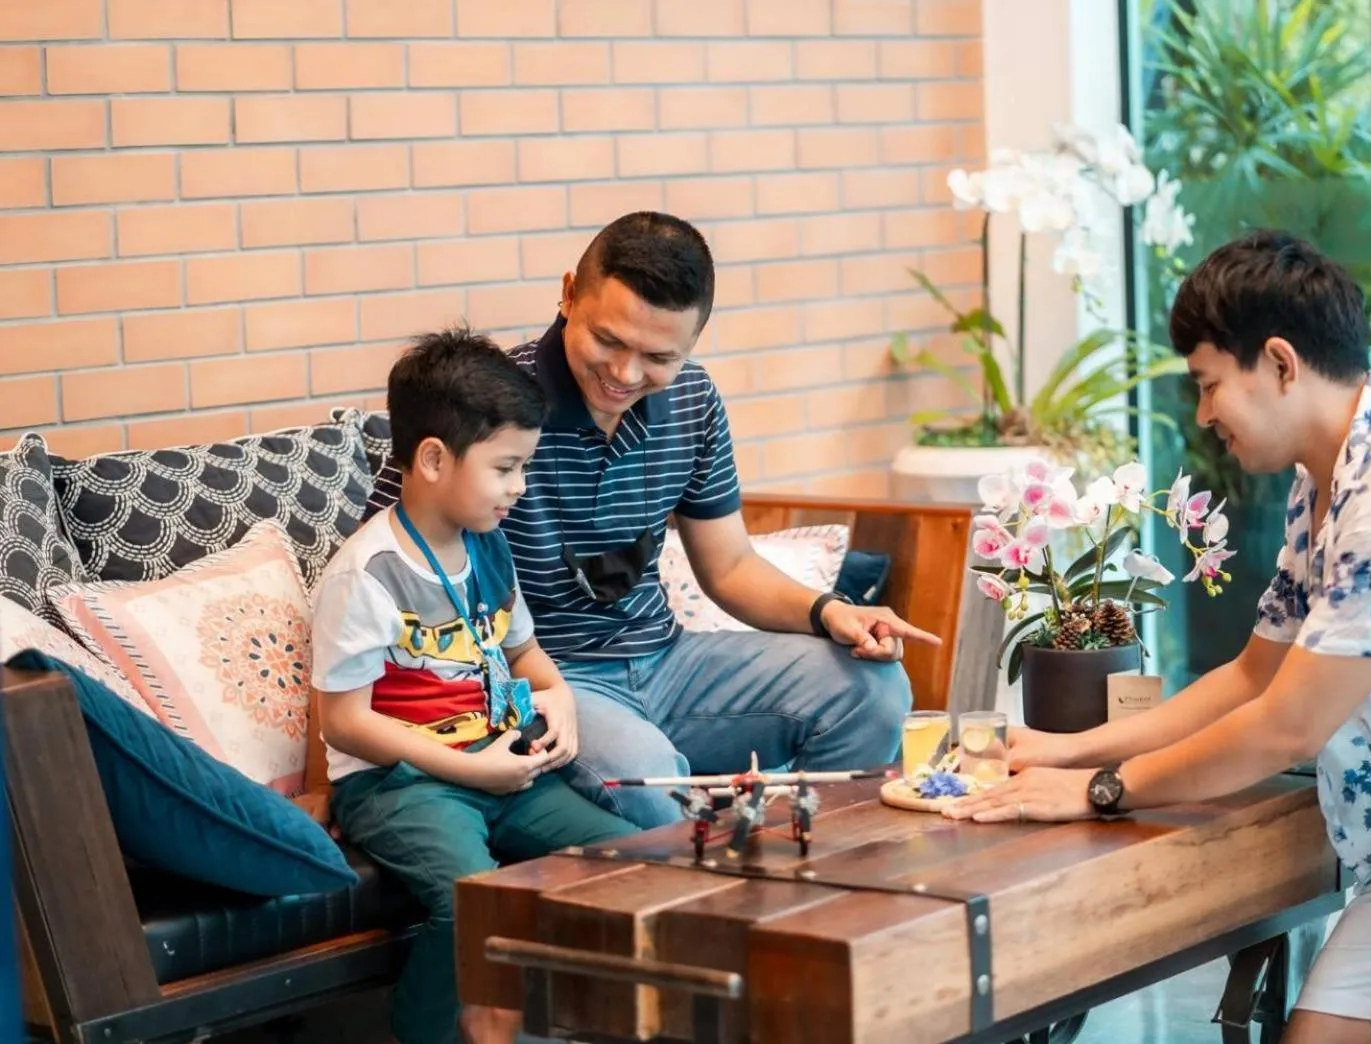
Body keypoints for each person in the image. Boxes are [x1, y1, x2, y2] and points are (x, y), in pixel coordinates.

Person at [946, 230, 1371, 1044]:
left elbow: (1286, 725)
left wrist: (1103, 790)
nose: (1204, 415)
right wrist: (1065, 751)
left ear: (1279, 362)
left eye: (1209, 385)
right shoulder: (1326, 479)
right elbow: (1249, 678)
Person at [366, 211, 939, 829]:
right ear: (567, 294)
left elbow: (732, 567)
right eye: (608, 341)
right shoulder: (486, 405)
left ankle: (798, 860)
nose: (625, 374)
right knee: (656, 784)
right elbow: (385, 564)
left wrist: (831, 612)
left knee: (873, 693)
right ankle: (726, 879)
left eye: (658, 355)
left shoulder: (693, 401)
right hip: (549, 681)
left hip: (671, 663)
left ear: (692, 344)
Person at [311, 330, 638, 1044]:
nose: (520, 488)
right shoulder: (367, 573)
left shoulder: (489, 546)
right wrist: (471, 768)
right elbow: (343, 722)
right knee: (473, 903)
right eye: (506, 468)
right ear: (433, 459)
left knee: (633, 857)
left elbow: (527, 654)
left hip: (499, 767)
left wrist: (560, 702)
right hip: (401, 784)